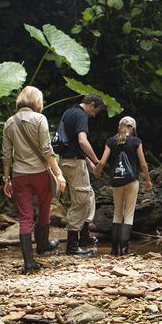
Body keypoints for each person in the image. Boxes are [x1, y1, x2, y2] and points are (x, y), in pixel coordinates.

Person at [2, 86, 67, 274]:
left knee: (25, 217)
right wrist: (58, 173)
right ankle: (43, 245)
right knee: (45, 208)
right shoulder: (40, 119)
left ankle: (29, 263)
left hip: (19, 175)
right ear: (37, 101)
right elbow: (47, 150)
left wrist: (7, 179)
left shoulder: (9, 122)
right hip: (40, 173)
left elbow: (6, 155)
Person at [95, 116, 152, 256]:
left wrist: (97, 171)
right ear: (132, 128)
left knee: (117, 214)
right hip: (131, 181)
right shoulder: (136, 141)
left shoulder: (110, 141)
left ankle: (114, 250)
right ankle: (125, 250)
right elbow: (143, 164)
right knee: (128, 215)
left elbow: (102, 161)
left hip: (116, 181)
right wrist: (148, 180)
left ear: (119, 126)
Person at [56, 94, 104, 255]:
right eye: (95, 111)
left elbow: (73, 144)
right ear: (91, 104)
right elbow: (82, 141)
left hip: (68, 161)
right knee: (81, 201)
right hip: (74, 163)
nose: (94, 114)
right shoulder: (81, 115)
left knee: (89, 195)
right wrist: (97, 160)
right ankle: (72, 245)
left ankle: (84, 235)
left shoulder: (69, 112)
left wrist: (89, 164)